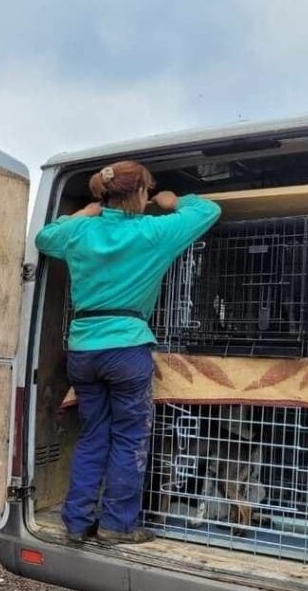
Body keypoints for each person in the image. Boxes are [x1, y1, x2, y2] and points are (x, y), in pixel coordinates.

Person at [35, 161, 221, 545]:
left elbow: (44, 237)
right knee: (129, 437)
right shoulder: (154, 231)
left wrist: (83, 212)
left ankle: (77, 522)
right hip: (126, 346)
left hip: (83, 349)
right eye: (148, 191)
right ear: (139, 194)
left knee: (92, 435)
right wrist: (174, 200)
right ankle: (117, 525)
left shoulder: (81, 230)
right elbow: (208, 211)